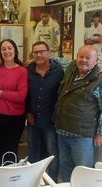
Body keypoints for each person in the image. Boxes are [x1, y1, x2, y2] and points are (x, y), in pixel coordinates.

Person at [54, 45, 102, 182]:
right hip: (62, 131)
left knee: (83, 171)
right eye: (81, 56)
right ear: (76, 57)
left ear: (97, 61)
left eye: (88, 58)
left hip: (82, 135)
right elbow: (55, 59)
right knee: (65, 167)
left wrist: (101, 132)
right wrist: (32, 59)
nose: (83, 60)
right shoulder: (71, 69)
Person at [26, 41, 64, 182]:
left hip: (51, 120)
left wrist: (99, 66)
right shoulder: (28, 70)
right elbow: (26, 93)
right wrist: (28, 112)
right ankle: (32, 180)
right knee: (33, 150)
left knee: (52, 152)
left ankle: (51, 181)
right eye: (35, 52)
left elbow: (78, 61)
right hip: (33, 119)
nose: (39, 54)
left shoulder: (59, 70)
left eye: (42, 51)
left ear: (49, 52)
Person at [0, 39, 27, 166]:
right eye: (3, 49)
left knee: (11, 148)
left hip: (15, 117)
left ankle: (11, 178)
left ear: (15, 50)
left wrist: (0, 93)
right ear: (0, 52)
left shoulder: (22, 71)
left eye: (9, 48)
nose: (7, 51)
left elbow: (21, 96)